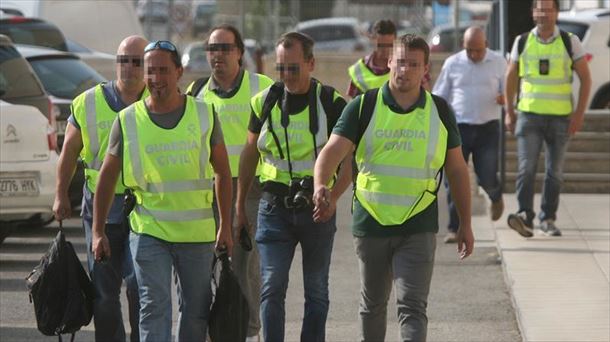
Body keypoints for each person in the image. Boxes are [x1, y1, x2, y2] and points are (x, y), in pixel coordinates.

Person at [313, 34, 475, 341]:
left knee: (412, 306)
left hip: (419, 222)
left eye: (413, 64)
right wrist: (321, 185)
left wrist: (465, 223)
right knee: (373, 304)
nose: (405, 70)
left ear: (426, 69)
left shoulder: (439, 112)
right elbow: (331, 152)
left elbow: (457, 169)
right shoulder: (363, 107)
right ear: (389, 62)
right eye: (400, 62)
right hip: (371, 223)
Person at [91, 40, 233, 342]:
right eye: (150, 71)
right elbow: (106, 177)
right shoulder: (127, 120)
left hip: (197, 234)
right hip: (149, 231)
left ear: (179, 72)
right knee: (154, 307)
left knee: (196, 309)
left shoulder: (205, 115)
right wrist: (98, 230)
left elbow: (222, 172)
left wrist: (226, 226)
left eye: (163, 71)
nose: (156, 79)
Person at [235, 32, 350, 342]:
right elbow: (249, 155)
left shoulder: (331, 102)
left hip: (317, 210)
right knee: (271, 286)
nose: (286, 76)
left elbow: (350, 160)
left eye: (293, 68)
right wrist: (240, 205)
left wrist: (333, 197)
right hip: (273, 207)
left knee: (316, 291)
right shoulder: (264, 101)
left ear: (311, 63)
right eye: (281, 68)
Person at [53, 35, 148, 342]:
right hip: (100, 212)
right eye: (123, 60)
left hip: (144, 212)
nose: (129, 68)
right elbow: (68, 154)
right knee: (104, 295)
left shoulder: (159, 102)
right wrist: (60, 195)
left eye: (136, 62)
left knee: (139, 288)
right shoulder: (88, 103)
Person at [186, 24, 273, 342]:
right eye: (212, 49)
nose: (217, 55)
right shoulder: (196, 92)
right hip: (208, 191)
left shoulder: (262, 87)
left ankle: (247, 333)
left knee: (245, 266)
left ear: (240, 52)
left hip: (251, 190)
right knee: (204, 264)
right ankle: (213, 330)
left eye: (224, 48)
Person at [505, 0, 591, 237]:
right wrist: (509, 112)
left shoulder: (569, 41)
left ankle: (548, 218)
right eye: (539, 9)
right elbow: (511, 76)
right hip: (529, 115)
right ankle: (524, 216)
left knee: (555, 172)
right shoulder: (522, 41)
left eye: (548, 9)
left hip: (560, 118)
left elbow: (586, 78)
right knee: (526, 169)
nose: (543, 13)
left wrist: (579, 114)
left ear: (556, 12)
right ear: (533, 13)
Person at [433, 26, 507, 243]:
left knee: (486, 176)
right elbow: (439, 95)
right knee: (453, 180)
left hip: (488, 128)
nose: (474, 55)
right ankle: (455, 228)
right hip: (458, 129)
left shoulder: (498, 62)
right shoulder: (453, 63)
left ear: (486, 45)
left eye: (478, 50)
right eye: (469, 50)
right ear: (463, 47)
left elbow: (508, 89)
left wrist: (504, 98)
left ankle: (495, 195)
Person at [347, 19, 396, 98]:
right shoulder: (358, 70)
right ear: (372, 40)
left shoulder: (402, 68)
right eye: (381, 45)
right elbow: (352, 103)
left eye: (390, 45)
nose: (385, 50)